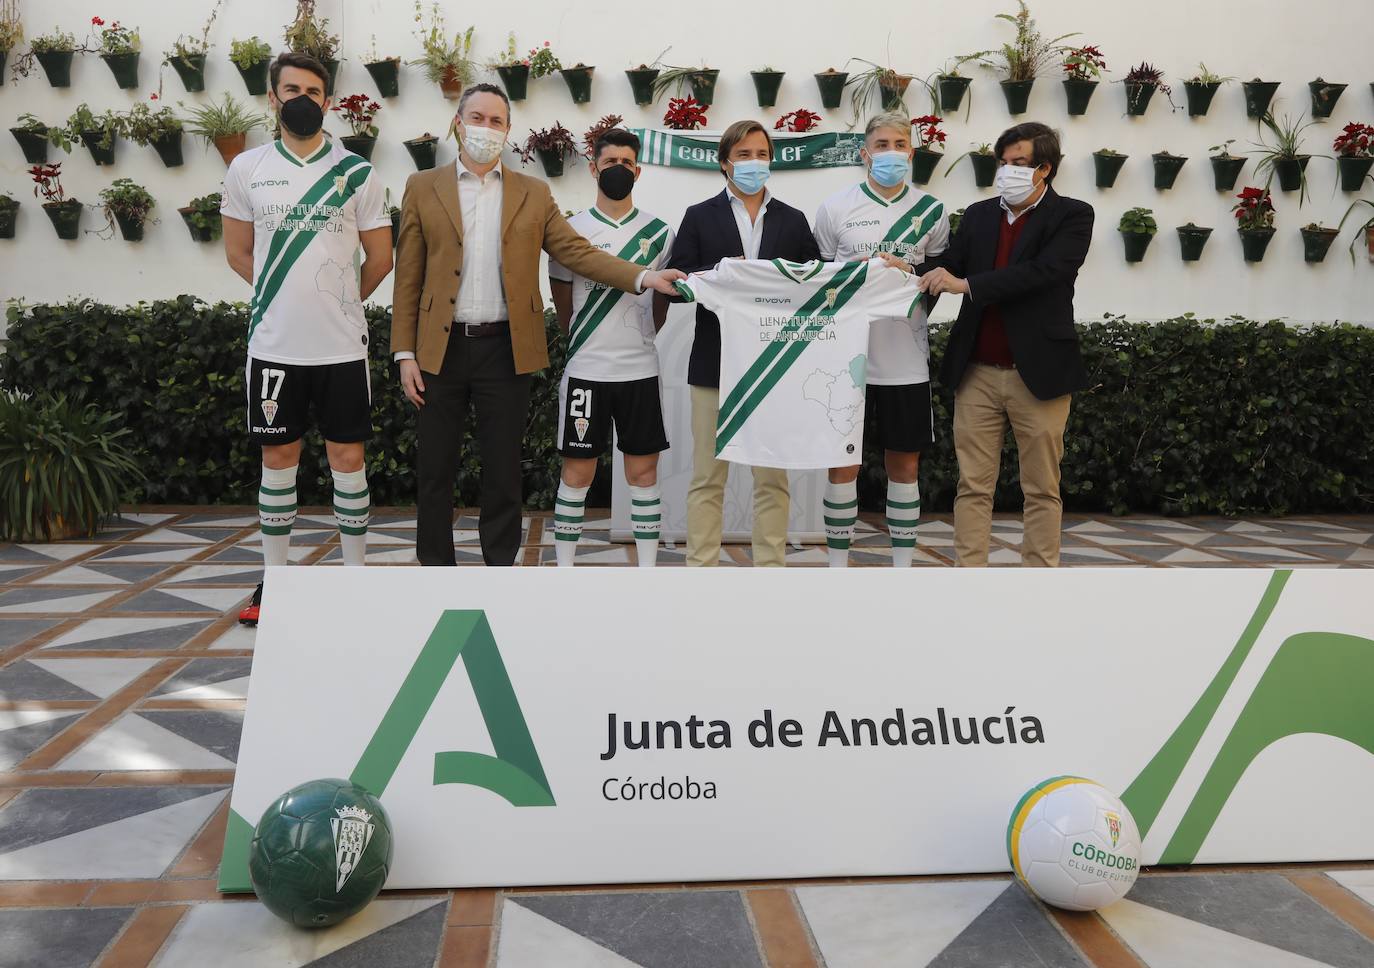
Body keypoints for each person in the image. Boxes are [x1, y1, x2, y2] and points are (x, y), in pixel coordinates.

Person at [391, 84, 685, 566]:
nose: (487, 129)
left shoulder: (533, 193)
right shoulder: (422, 187)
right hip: (438, 350)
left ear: (508, 131)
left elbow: (577, 253)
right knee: (435, 468)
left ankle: (501, 570)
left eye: (497, 121)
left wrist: (644, 276)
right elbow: (409, 276)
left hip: (505, 349)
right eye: (478, 118)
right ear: (458, 123)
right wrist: (404, 352)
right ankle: (436, 572)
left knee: (504, 469)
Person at [221, 51, 393, 625]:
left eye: (313, 90)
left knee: (349, 459)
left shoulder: (357, 173)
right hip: (274, 345)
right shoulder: (247, 168)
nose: (301, 97)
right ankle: (275, 582)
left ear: (328, 100)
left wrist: (338, 300)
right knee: (278, 457)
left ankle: (356, 581)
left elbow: (381, 257)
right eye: (290, 88)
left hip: (342, 347)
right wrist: (280, 295)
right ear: (272, 97)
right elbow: (239, 253)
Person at [917, 122, 1094, 567]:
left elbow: (1044, 273)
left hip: (1038, 371)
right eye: (1003, 163)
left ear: (1044, 169)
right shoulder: (978, 216)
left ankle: (1038, 578)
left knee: (1041, 487)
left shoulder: (1073, 215)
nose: (1007, 171)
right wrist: (908, 268)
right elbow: (948, 267)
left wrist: (968, 284)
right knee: (973, 485)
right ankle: (969, 575)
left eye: (1018, 163)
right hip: (976, 370)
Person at [666, 119, 821, 567]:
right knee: (707, 478)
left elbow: (816, 283)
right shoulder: (699, 215)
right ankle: (702, 570)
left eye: (761, 154)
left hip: (773, 370)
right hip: (713, 365)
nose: (754, 163)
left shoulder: (792, 220)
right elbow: (679, 281)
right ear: (724, 164)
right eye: (744, 155)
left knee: (772, 479)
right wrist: (720, 274)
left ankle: (769, 571)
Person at [813, 112, 949, 568]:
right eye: (881, 143)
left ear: (911, 152)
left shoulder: (932, 210)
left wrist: (908, 274)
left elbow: (937, 281)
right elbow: (822, 282)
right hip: (845, 359)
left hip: (906, 361)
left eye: (899, 143)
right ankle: (837, 568)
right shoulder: (835, 208)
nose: (891, 151)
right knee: (842, 466)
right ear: (864, 153)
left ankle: (902, 570)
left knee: (904, 466)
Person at [548, 129, 674, 567]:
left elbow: (661, 305)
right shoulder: (569, 230)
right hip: (586, 371)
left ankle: (646, 570)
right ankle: (564, 567)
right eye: (609, 163)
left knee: (643, 474)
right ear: (593, 168)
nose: (618, 170)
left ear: (638, 171)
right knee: (577, 472)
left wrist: (641, 336)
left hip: (640, 370)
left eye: (626, 163)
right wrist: (581, 336)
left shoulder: (660, 233)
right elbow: (561, 297)